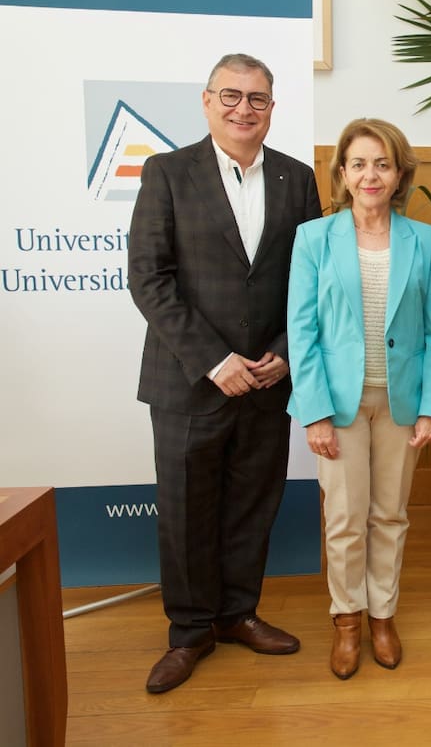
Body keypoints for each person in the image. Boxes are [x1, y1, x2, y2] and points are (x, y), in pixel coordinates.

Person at [128, 53, 321, 693]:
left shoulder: (297, 179)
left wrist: (286, 350)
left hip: (267, 379)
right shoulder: (166, 172)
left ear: (272, 108)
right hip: (189, 381)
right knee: (185, 512)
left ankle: (238, 613)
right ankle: (189, 633)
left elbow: (310, 280)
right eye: (231, 96)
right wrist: (214, 360)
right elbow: (149, 279)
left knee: (251, 504)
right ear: (208, 101)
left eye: (257, 98)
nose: (244, 108)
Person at [286, 118, 431, 679]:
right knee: (344, 518)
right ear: (342, 173)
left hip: (401, 402)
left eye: (382, 164)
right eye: (358, 164)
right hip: (337, 405)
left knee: (390, 515)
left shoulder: (424, 240)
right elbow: (302, 331)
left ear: (400, 173)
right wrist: (314, 413)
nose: (370, 175)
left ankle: (383, 615)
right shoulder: (314, 238)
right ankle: (347, 620)